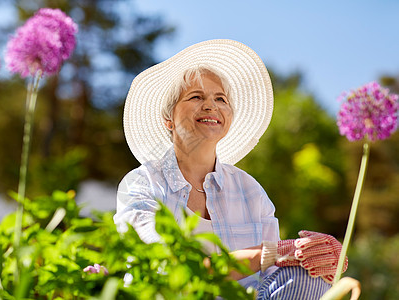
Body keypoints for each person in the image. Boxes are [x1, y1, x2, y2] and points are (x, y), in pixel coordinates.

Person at [114, 39, 347, 299]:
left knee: (307, 274)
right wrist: (272, 252)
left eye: (221, 98)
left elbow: (274, 279)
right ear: (168, 119)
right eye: (196, 97)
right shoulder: (142, 183)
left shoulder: (250, 192)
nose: (211, 106)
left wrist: (316, 258)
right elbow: (164, 269)